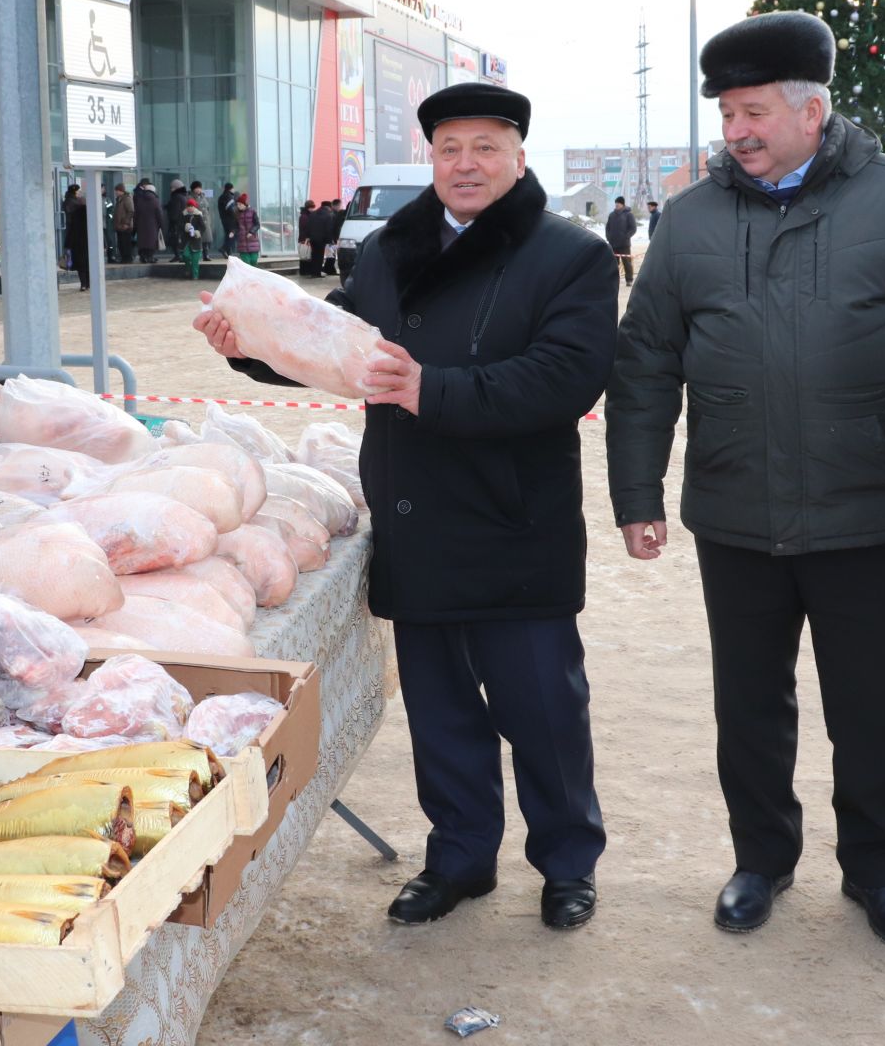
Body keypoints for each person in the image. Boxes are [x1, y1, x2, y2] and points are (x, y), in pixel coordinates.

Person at [195, 81, 617, 931]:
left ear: (518, 156)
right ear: (432, 157)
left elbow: (565, 377)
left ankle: (567, 862)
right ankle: (459, 858)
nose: (466, 165)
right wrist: (254, 350)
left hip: (514, 521)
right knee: (442, 714)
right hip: (418, 516)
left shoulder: (568, 254)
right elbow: (335, 345)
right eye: (450, 149)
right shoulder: (393, 248)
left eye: (485, 148)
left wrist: (434, 390)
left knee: (544, 711)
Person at [608, 10, 885, 950]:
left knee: (870, 702)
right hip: (734, 507)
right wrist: (638, 495)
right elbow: (646, 362)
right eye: (728, 112)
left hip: (864, 508)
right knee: (749, 701)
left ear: (813, 110)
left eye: (754, 111)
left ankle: (880, 871)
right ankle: (761, 858)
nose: (736, 130)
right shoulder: (689, 221)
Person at [63, 183, 90, 290]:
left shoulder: (75, 215)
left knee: (81, 265)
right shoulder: (88, 215)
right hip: (86, 243)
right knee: (86, 264)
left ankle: (84, 284)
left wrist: (67, 244)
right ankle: (87, 284)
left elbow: (71, 230)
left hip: (78, 243)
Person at [604, 195, 636, 282]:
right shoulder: (612, 215)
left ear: (622, 204)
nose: (617, 205)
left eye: (618, 203)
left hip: (624, 244)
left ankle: (629, 279)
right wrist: (608, 237)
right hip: (613, 244)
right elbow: (608, 227)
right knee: (614, 263)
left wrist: (626, 237)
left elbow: (633, 228)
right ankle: (614, 280)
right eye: (616, 203)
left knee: (627, 262)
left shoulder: (628, 214)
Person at [132, 177, 164, 265]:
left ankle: (143, 257)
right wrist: (161, 225)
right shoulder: (155, 200)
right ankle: (150, 257)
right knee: (151, 241)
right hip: (152, 226)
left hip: (141, 225)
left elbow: (136, 213)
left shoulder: (139, 200)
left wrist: (135, 224)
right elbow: (159, 214)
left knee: (143, 241)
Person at [175, 196, 207, 280]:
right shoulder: (183, 215)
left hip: (196, 241)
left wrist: (198, 232)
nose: (190, 208)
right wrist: (185, 227)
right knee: (185, 255)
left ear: (194, 207)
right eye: (188, 206)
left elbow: (203, 227)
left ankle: (195, 276)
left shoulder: (198, 215)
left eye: (192, 206)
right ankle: (188, 269)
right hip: (186, 240)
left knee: (195, 261)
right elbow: (179, 225)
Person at [232, 190, 261, 265]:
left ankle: (254, 276)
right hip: (242, 242)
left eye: (240, 204)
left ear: (245, 204)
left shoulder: (252, 211)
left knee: (254, 261)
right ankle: (247, 277)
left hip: (253, 241)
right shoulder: (236, 213)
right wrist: (233, 232)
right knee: (246, 263)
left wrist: (251, 232)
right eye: (237, 204)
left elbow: (257, 224)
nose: (238, 206)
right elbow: (235, 226)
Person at [164, 181, 189, 262]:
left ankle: (178, 256)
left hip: (176, 223)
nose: (171, 189)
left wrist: (172, 219)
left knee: (174, 240)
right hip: (183, 222)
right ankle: (181, 256)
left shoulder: (176, 197)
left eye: (172, 187)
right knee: (181, 240)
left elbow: (175, 211)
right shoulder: (184, 196)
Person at [112, 180, 135, 264]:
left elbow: (131, 211)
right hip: (119, 226)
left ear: (120, 191)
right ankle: (124, 258)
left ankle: (127, 258)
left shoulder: (127, 199)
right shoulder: (119, 199)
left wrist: (126, 223)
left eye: (117, 191)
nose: (115, 192)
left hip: (125, 226)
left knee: (126, 243)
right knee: (121, 243)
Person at [217, 181, 239, 257]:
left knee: (228, 235)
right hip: (231, 220)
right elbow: (231, 209)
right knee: (233, 235)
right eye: (233, 188)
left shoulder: (221, 197)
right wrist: (236, 217)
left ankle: (229, 254)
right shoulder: (229, 197)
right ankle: (224, 248)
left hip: (224, 220)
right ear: (230, 188)